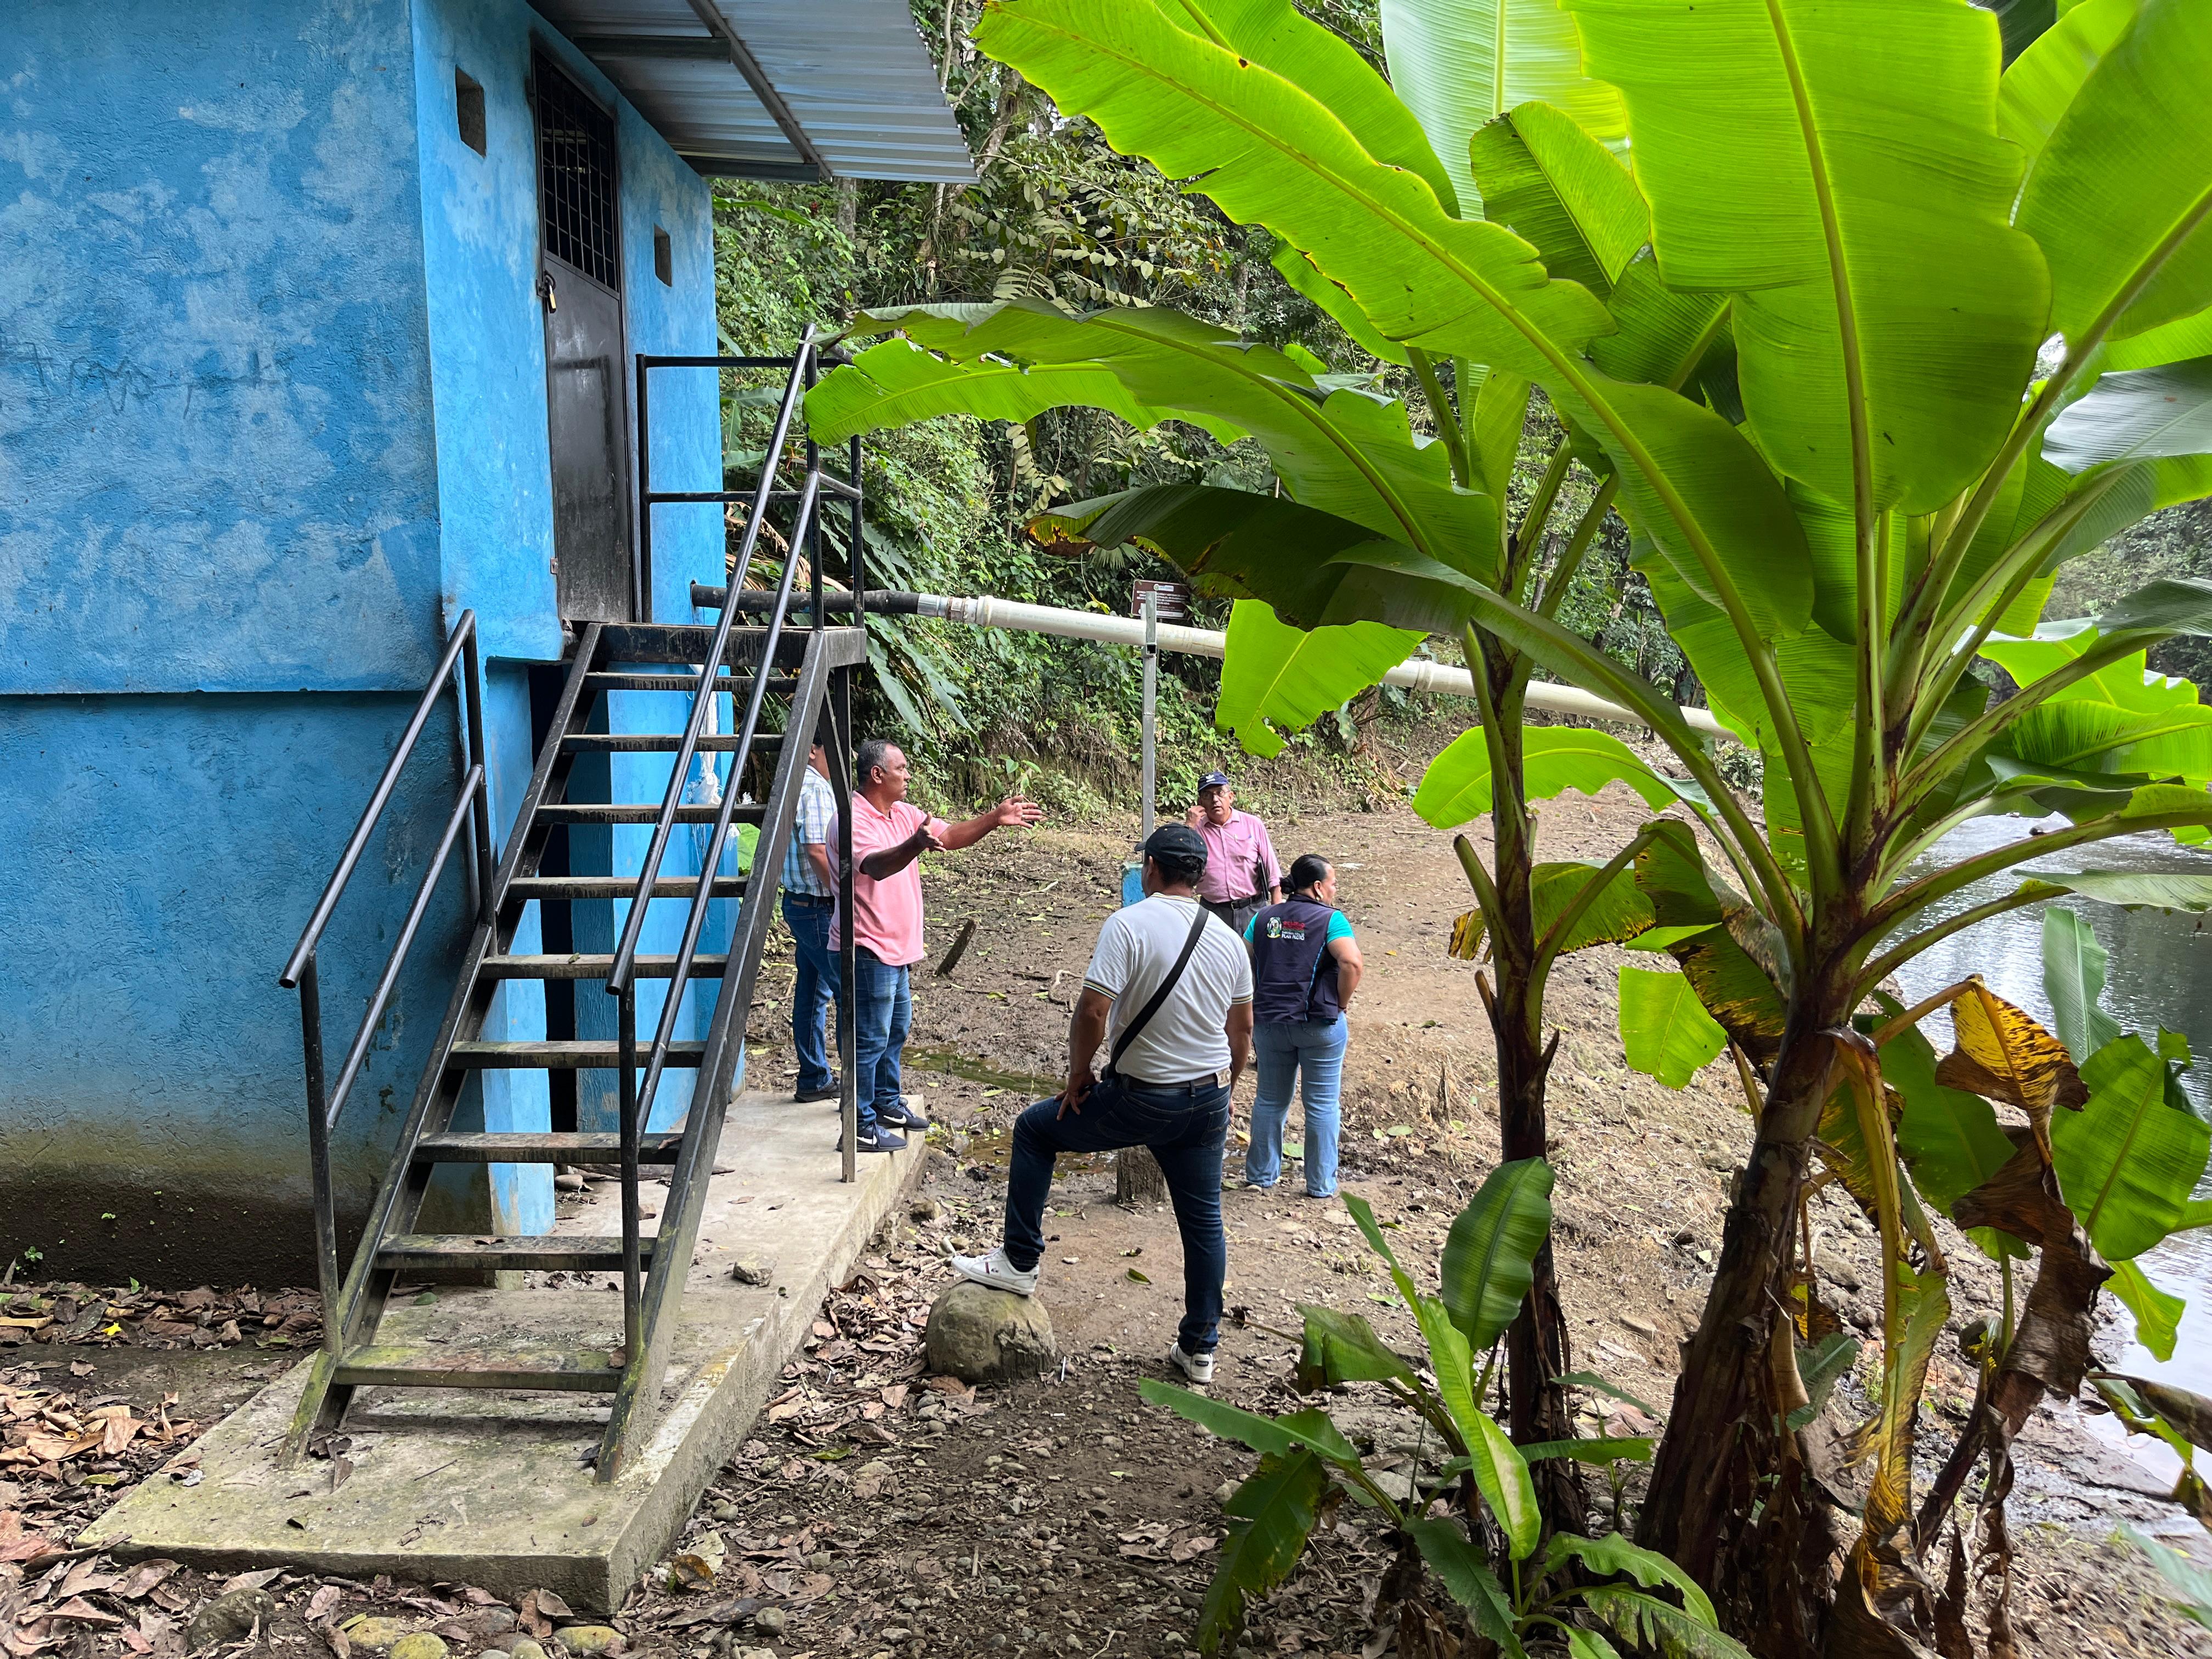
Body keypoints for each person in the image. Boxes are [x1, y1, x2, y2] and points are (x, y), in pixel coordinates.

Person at [952, 824, 1252, 1384]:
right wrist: (1227, 1091)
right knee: (1204, 1220)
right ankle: (1200, 1349)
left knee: (1035, 1130)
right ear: (1199, 875)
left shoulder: (1129, 923)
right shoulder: (1229, 937)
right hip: (1209, 1096)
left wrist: (1077, 1074)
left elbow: (1094, 1010)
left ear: (1152, 869)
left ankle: (1019, 1261)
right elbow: (1242, 1031)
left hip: (1143, 1096)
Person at [842, 738, 1043, 1153]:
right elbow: (875, 866)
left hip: (897, 947)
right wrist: (914, 845)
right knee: (870, 1039)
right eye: (901, 768)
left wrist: (995, 818)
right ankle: (859, 1125)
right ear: (878, 774)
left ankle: (885, 1103)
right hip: (868, 946)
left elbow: (948, 836)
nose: (908, 775)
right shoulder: (853, 818)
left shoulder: (903, 814)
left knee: (895, 1031)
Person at [1243, 854, 1363, 1198]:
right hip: (1319, 1024)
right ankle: (1320, 1185)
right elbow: (1352, 963)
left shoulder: (1264, 917)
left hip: (1269, 1023)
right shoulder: (1331, 920)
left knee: (1269, 1100)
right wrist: (1341, 1003)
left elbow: (1242, 958)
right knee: (1322, 1105)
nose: (1335, 890)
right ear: (1318, 887)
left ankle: (1261, 1175)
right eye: (1333, 884)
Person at [781, 730, 842, 1104]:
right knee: (849, 992)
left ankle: (813, 1077)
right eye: (831, 750)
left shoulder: (792, 783)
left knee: (812, 993)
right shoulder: (816, 788)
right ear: (812, 751)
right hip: (818, 906)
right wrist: (843, 894)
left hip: (800, 904)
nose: (839, 760)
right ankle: (860, 1088)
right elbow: (818, 851)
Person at [1186, 771, 1281, 935]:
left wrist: (1277, 912)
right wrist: (1189, 826)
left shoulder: (1253, 824)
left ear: (1231, 797)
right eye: (1208, 795)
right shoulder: (1195, 830)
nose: (1215, 799)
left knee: (1255, 952)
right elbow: (1180, 867)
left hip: (1253, 910)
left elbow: (1273, 872)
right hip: (1213, 913)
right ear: (1200, 803)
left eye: (1220, 793)